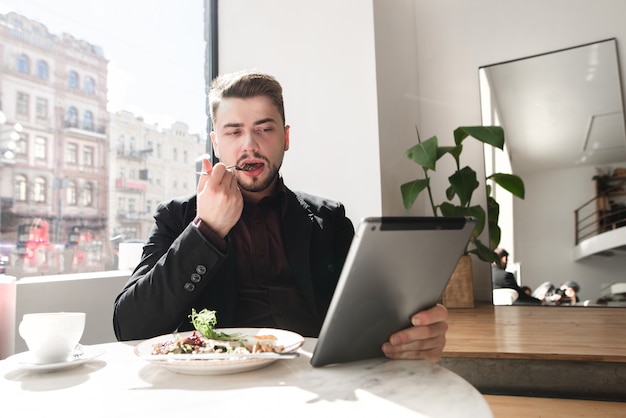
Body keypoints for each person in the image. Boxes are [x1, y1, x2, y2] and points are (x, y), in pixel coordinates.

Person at [113, 69, 448, 362]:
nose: (250, 144)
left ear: (285, 138)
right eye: (233, 131)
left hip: (315, 382)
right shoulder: (177, 217)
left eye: (264, 129)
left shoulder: (330, 220)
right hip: (213, 390)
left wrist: (412, 334)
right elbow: (129, 327)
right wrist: (206, 231)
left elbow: (369, 315)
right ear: (216, 143)